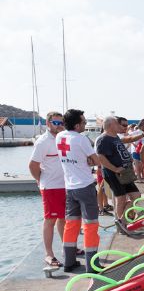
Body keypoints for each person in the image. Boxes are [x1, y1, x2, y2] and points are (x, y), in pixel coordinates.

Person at [56, 109, 100, 273]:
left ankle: (69, 262)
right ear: (77, 125)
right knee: (90, 225)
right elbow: (96, 161)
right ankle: (92, 265)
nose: (85, 125)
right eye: (83, 123)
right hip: (85, 187)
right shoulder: (81, 139)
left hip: (70, 188)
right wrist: (88, 161)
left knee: (71, 225)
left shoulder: (60, 137)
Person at [95, 116, 144, 231]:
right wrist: (115, 169)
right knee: (120, 198)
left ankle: (121, 221)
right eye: (117, 124)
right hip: (114, 174)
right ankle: (122, 225)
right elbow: (101, 157)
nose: (119, 126)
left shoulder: (115, 137)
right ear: (111, 125)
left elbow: (129, 139)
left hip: (124, 173)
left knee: (136, 195)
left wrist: (143, 135)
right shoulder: (103, 139)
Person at [29, 111, 67, 268]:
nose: (59, 126)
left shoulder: (63, 138)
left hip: (65, 185)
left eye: (61, 122)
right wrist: (39, 180)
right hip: (51, 186)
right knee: (50, 220)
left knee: (64, 219)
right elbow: (32, 165)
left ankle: (68, 248)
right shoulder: (43, 142)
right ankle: (49, 254)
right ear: (48, 123)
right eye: (55, 123)